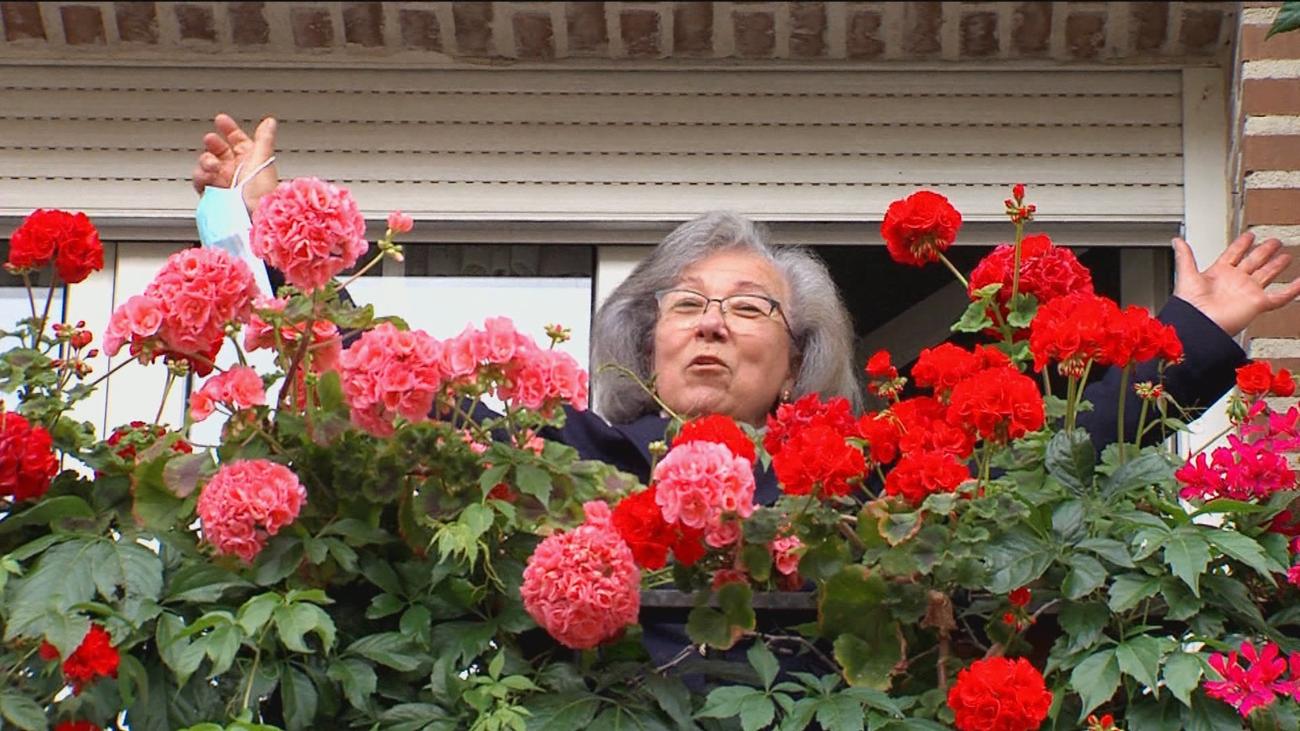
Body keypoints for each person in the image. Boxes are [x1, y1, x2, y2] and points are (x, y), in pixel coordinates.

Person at [193, 113, 1300, 668]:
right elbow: (404, 404)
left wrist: (1192, 332)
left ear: (799, 351)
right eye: (686, 302)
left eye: (749, 305)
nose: (713, 317)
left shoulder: (873, 472)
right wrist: (272, 223)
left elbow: (1041, 462)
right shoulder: (571, 450)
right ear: (645, 337)